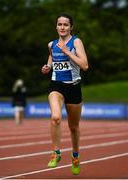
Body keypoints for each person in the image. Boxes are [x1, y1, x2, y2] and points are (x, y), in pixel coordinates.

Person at [41, 13, 88, 175]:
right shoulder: (51, 44)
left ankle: (75, 156)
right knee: (55, 117)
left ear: (71, 27)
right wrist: (47, 67)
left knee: (73, 127)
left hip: (73, 88)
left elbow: (85, 65)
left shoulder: (76, 42)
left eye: (65, 25)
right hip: (56, 86)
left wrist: (68, 52)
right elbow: (52, 57)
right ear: (56, 26)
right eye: (60, 24)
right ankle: (56, 152)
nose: (62, 27)